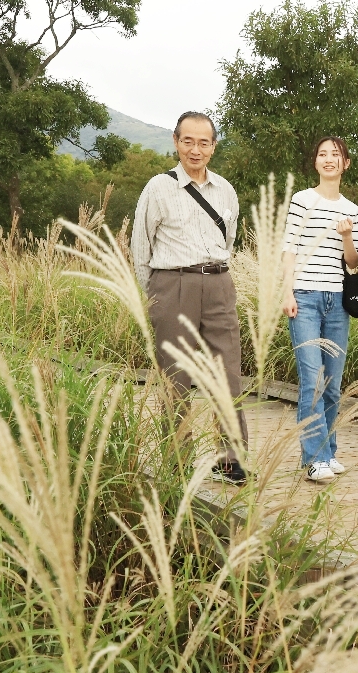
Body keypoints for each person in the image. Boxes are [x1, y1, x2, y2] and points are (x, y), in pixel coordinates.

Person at [131, 111, 249, 484]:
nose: (195, 150)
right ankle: (176, 461)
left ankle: (230, 459)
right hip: (172, 285)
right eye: (188, 141)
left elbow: (228, 240)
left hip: (218, 284)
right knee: (175, 375)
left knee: (227, 372)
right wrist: (157, 294)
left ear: (213, 146)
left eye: (203, 143)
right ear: (176, 142)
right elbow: (140, 248)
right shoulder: (157, 188)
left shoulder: (225, 190)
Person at [281, 136, 358, 482]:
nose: (329, 159)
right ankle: (314, 458)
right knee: (312, 379)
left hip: (337, 301)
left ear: (346, 163)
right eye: (322, 154)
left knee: (331, 383)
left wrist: (346, 236)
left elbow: (353, 261)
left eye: (336, 155)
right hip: (305, 298)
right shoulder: (302, 199)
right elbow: (289, 248)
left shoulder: (352, 209)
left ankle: (328, 451)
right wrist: (288, 292)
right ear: (315, 162)